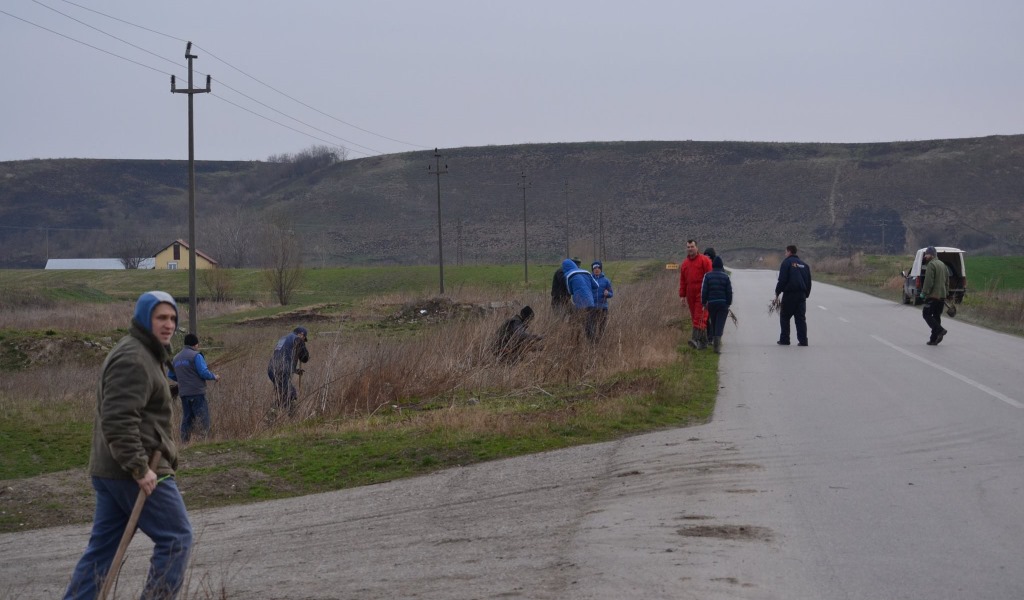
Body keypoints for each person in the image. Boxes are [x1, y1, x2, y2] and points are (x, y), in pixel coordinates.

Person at [64, 291, 193, 600]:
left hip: (113, 469)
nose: (169, 324)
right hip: (139, 470)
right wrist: (138, 467)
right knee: (177, 537)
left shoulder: (146, 353)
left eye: (173, 318)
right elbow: (118, 418)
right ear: (144, 318)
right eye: (161, 317)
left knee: (102, 552)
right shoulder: (134, 357)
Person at [168, 333, 219, 442]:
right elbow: (203, 372)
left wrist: (183, 379)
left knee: (187, 419)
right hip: (197, 393)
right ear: (195, 344)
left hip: (183, 394)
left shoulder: (176, 358)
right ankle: (204, 441)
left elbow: (171, 374)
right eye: (197, 344)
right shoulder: (196, 356)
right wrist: (214, 376)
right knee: (203, 418)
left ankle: (184, 442)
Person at [267, 326, 310, 416]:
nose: (303, 340)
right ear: (301, 334)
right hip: (281, 370)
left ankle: (280, 417)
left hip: (271, 369)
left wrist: (294, 370)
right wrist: (304, 352)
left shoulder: (283, 339)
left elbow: (283, 356)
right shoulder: (297, 339)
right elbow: (304, 357)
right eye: (304, 338)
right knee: (291, 393)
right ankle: (276, 416)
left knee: (284, 394)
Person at [775, 245, 812, 346]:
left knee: (784, 316)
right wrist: (806, 294)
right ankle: (803, 340)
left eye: (785, 252)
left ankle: (785, 339)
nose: (785, 254)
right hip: (801, 295)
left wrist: (777, 292)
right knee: (800, 318)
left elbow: (782, 279)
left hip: (790, 294)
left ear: (789, 252)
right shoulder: (805, 265)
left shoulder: (786, 263)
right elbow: (808, 282)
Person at [679, 239, 713, 349]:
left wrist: (710, 293)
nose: (690, 249)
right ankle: (703, 344)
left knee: (700, 317)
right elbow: (683, 281)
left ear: (697, 247)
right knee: (695, 317)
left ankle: (694, 340)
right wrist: (682, 295)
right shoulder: (685, 264)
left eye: (692, 246)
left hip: (702, 293)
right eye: (688, 247)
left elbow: (710, 277)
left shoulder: (705, 260)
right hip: (690, 294)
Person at [562, 258, 600, 341]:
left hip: (580, 303)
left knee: (583, 324)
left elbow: (570, 291)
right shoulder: (586, 272)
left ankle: (589, 342)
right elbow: (596, 285)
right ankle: (594, 342)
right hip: (590, 302)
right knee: (590, 322)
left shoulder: (568, 275)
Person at [701, 255, 733, 354]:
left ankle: (714, 342)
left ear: (713, 265)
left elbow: (704, 290)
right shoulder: (726, 277)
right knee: (720, 324)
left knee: (713, 322)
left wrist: (703, 302)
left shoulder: (707, 276)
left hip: (712, 304)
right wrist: (728, 303)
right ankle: (717, 346)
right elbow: (729, 292)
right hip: (723, 304)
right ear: (722, 266)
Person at [920, 246, 949, 345]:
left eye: (926, 254)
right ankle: (934, 339)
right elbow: (947, 281)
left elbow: (929, 281)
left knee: (926, 314)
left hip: (933, 295)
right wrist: (946, 293)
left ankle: (940, 330)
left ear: (931, 255)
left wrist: (924, 293)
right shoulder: (942, 264)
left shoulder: (931, 265)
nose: (925, 256)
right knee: (936, 316)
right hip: (942, 296)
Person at [591, 260, 614, 340]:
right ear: (592, 270)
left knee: (602, 326)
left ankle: (601, 341)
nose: (596, 270)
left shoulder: (606, 280)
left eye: (598, 268)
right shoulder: (589, 280)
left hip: (603, 307)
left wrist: (608, 294)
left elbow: (611, 294)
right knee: (592, 327)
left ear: (601, 269)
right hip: (592, 308)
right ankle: (593, 342)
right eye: (595, 268)